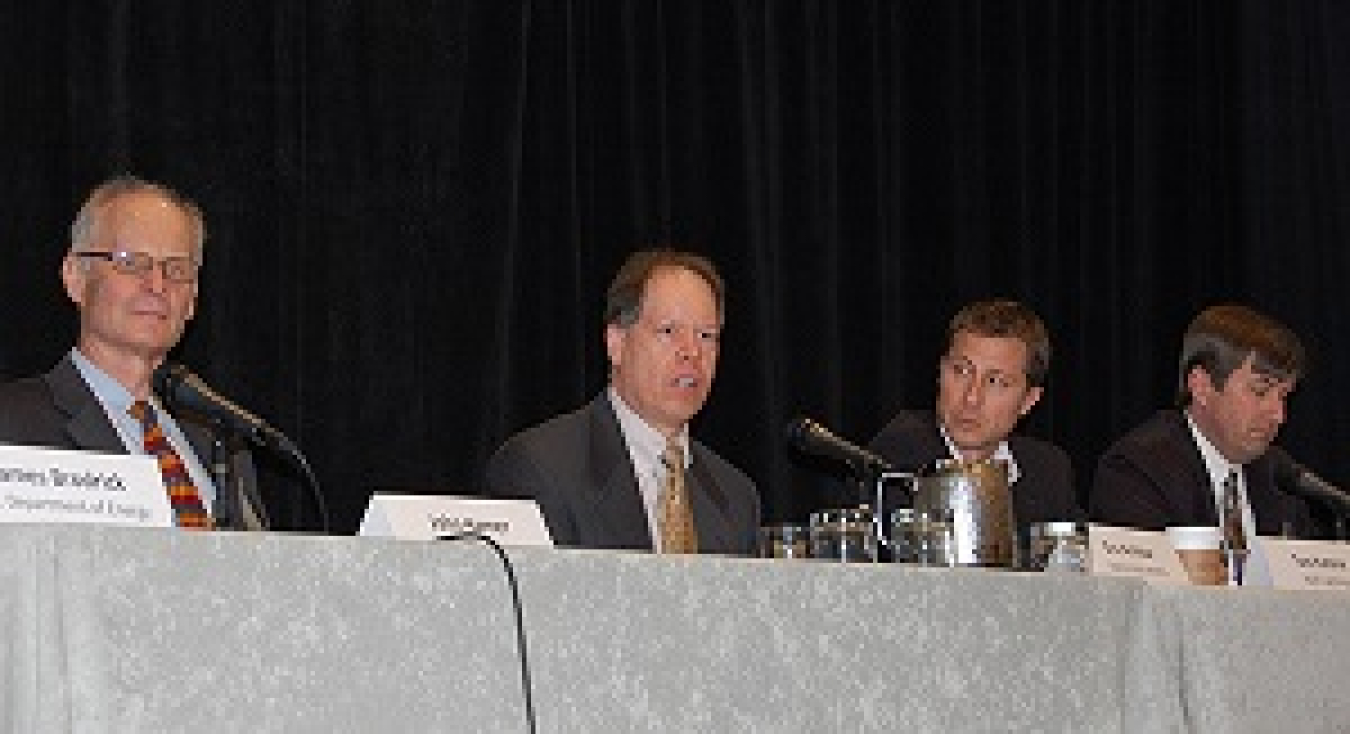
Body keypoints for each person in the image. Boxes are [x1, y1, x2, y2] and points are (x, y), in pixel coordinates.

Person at [0, 175, 267, 530]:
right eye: (131, 262)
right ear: (75, 277)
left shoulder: (223, 444)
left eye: (176, 269)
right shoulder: (13, 424)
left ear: (193, 300)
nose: (157, 286)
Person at [484, 249, 760, 554]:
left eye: (706, 336)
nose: (692, 353)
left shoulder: (735, 497)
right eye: (669, 332)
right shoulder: (543, 468)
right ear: (616, 343)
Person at [1089, 304, 1321, 547]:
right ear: (1201, 386)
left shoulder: (1278, 476)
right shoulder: (1139, 470)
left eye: (1283, 396)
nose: (1278, 415)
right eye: (1260, 391)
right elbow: (1146, 582)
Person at [867, 299, 1080, 531]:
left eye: (995, 382)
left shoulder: (1048, 471)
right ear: (940, 373)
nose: (971, 398)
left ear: (1028, 401)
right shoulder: (895, 457)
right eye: (961, 371)